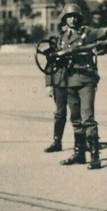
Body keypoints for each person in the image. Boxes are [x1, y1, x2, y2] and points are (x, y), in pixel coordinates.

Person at [55, 3, 107, 170]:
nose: (73, 19)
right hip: (69, 81)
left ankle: (95, 157)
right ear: (65, 19)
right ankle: (79, 153)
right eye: (69, 16)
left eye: (75, 16)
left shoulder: (86, 32)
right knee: (75, 119)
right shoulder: (62, 38)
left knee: (87, 118)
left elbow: (98, 32)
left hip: (86, 81)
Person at [43, 21, 68, 153]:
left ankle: (84, 142)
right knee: (59, 113)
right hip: (59, 83)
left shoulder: (78, 39)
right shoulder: (56, 43)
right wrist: (49, 84)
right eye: (63, 25)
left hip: (74, 81)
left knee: (79, 113)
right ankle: (57, 142)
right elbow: (49, 66)